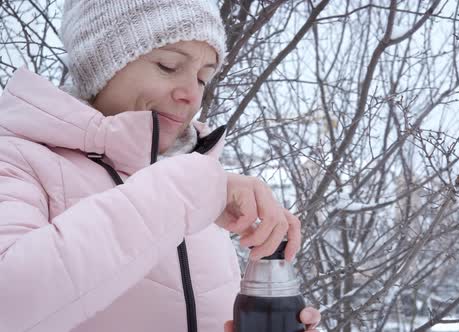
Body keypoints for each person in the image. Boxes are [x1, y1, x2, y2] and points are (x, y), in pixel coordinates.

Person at [0, 0, 321, 331]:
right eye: (168, 66)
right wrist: (189, 188)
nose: (191, 96)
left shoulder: (191, 181)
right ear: (101, 63)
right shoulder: (17, 157)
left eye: (202, 78)